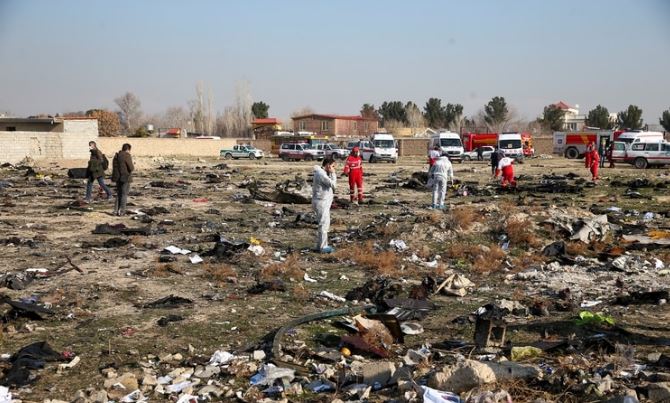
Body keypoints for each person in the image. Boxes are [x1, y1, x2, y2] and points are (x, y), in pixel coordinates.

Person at [312, 157, 337, 253]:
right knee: (324, 225)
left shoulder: (322, 173)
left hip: (322, 202)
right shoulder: (321, 174)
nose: (333, 168)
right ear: (328, 165)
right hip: (321, 202)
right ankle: (323, 247)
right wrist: (333, 173)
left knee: (323, 224)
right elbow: (333, 185)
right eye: (333, 166)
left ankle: (320, 245)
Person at [111, 143, 134, 216]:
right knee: (124, 194)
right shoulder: (127, 155)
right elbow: (131, 168)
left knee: (119, 194)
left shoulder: (116, 156)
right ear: (128, 149)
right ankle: (122, 211)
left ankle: (115, 211)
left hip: (117, 177)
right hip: (125, 177)